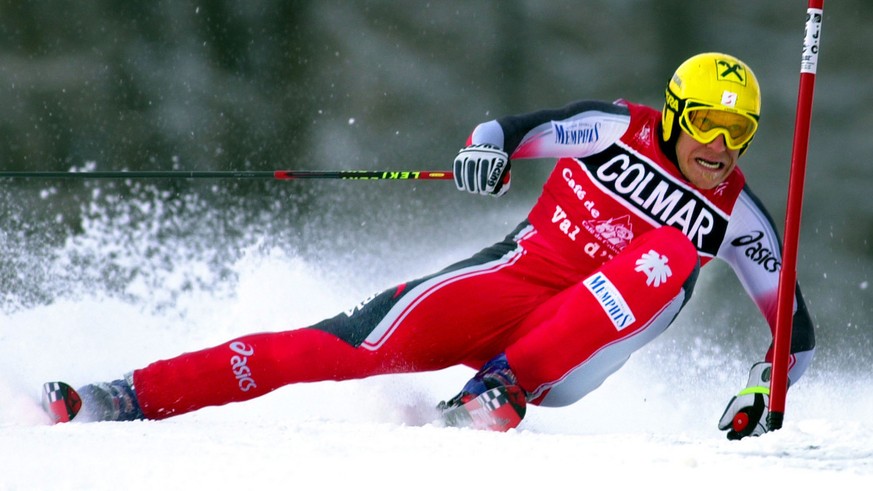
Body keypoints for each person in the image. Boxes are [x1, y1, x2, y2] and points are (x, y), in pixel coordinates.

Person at [58, 52, 815, 439]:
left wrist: (763, 393)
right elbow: (509, 130)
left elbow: (795, 336)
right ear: (675, 115)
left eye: (737, 133)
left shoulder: (737, 217)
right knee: (327, 345)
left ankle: (498, 392)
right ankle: (124, 395)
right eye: (706, 126)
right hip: (511, 283)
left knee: (675, 252)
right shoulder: (619, 127)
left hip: (573, 349)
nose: (718, 147)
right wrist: (482, 151)